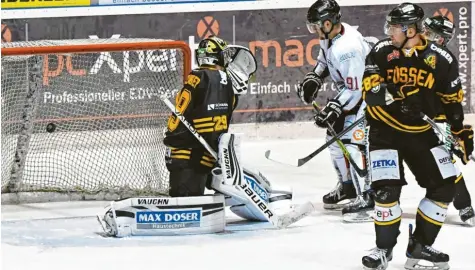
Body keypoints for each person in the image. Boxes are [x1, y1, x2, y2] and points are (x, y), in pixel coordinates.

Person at [97, 36, 293, 237]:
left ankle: (266, 196)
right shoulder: (215, 80)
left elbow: (191, 121)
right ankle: (129, 215)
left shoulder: (203, 78)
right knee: (188, 197)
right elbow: (204, 121)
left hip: (197, 153)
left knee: (220, 182)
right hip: (189, 155)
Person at [361, 3, 473, 270]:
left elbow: (451, 102)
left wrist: (459, 133)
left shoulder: (442, 60)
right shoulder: (381, 51)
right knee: (386, 191)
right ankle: (383, 250)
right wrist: (397, 94)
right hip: (384, 131)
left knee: (445, 186)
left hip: (422, 134)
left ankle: (420, 245)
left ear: (410, 30)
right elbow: (370, 93)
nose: (389, 32)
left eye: (394, 27)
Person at [298, 0, 373, 222]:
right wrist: (315, 77)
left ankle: (368, 196)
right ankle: (348, 186)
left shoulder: (348, 49)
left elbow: (357, 89)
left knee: (354, 144)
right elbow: (324, 59)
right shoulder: (331, 36)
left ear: (328, 23)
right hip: (351, 95)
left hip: (367, 99)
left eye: (315, 26)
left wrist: (335, 107)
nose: (314, 31)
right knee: (334, 140)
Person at [423, 15, 474, 227]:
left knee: (445, 162)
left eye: (429, 33)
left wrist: (455, 129)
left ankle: (464, 205)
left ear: (441, 39)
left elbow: (453, 100)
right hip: (412, 117)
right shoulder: (413, 52)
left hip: (436, 118)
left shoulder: (444, 61)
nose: (423, 35)